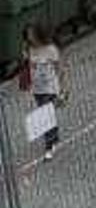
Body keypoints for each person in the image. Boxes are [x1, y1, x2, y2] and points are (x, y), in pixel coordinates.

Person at [22, 26, 64, 156]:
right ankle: (54, 137)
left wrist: (62, 87)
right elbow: (27, 66)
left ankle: (49, 145)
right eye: (27, 35)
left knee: (44, 115)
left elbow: (59, 68)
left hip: (50, 87)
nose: (29, 38)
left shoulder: (50, 49)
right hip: (37, 89)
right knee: (47, 114)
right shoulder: (29, 50)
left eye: (31, 35)